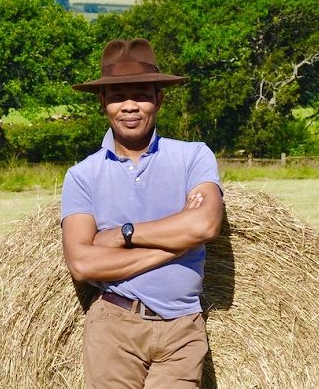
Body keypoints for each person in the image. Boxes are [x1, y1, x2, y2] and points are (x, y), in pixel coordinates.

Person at [60, 38, 224, 388]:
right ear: (103, 102)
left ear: (159, 98)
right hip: (114, 327)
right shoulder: (82, 176)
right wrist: (177, 245)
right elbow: (83, 264)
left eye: (140, 95)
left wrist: (123, 234)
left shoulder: (194, 156)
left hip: (183, 330)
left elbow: (206, 224)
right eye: (118, 96)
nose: (130, 106)